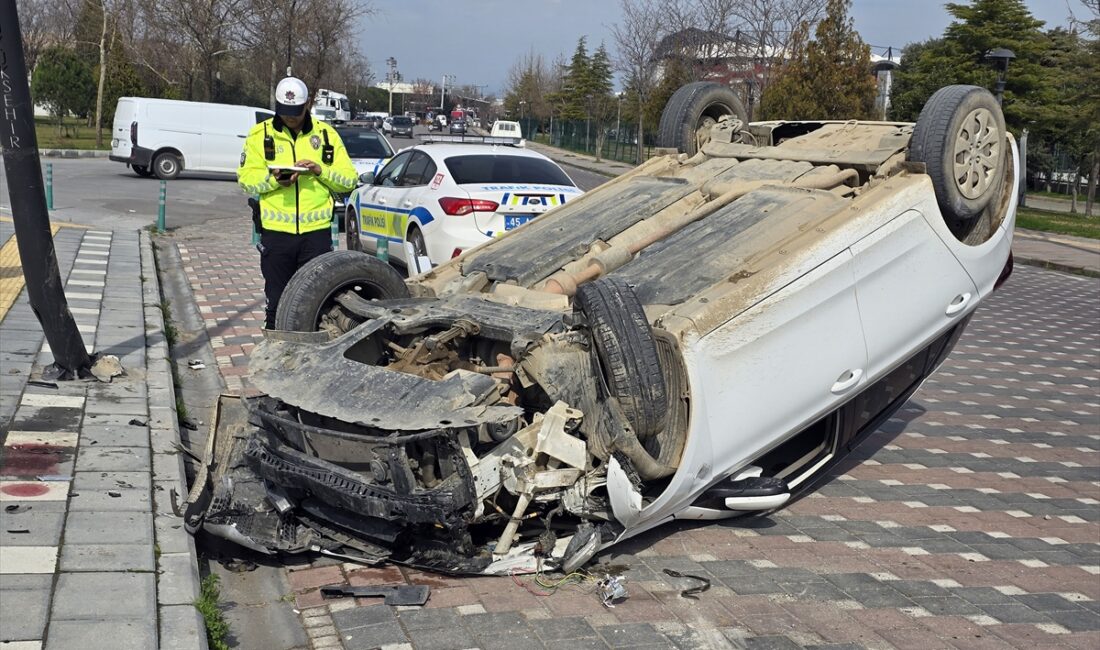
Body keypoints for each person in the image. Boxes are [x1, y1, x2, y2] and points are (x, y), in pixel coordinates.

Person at [238, 76, 357, 329]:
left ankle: (311, 358)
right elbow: (246, 180)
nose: (290, 118)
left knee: (318, 302)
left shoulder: (326, 135)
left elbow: (348, 181)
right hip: (276, 235)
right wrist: (274, 180)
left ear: (307, 105)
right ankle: (275, 356)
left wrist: (319, 170)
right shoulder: (261, 135)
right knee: (277, 302)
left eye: (295, 112)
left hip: (316, 236)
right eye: (284, 112)